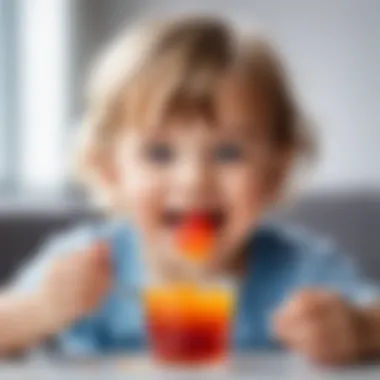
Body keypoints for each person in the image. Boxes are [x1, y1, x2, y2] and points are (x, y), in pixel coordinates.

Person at [0, 16, 379, 365]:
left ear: (275, 172)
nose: (194, 179)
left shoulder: (300, 270)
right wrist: (40, 310)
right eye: (159, 153)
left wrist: (358, 330)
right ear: (110, 170)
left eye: (229, 152)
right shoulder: (88, 263)